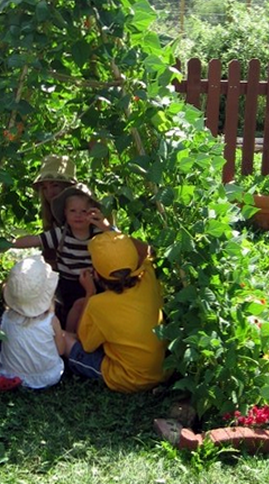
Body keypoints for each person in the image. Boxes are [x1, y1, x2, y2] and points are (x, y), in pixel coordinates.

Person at [63, 230, 168, 393]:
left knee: (66, 339)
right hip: (163, 371)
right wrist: (109, 228)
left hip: (130, 379)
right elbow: (148, 251)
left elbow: (86, 345)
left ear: (96, 274)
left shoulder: (98, 304)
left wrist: (89, 292)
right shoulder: (148, 277)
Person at [13, 182, 113, 326]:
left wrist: (106, 227)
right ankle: (70, 337)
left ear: (92, 213)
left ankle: (88, 334)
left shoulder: (98, 234)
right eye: (73, 211)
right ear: (65, 213)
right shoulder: (61, 234)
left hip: (93, 281)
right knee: (73, 309)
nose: (78, 215)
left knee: (95, 309)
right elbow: (35, 240)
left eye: (84, 211)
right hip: (68, 282)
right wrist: (8, 243)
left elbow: (119, 241)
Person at [0, 254, 66, 391]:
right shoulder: (51, 320)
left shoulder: (7, 317)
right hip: (48, 377)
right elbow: (61, 350)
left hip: (10, 374)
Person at [32, 154, 77, 232]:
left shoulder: (84, 216)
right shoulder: (51, 220)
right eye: (44, 188)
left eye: (55, 185)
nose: (50, 193)